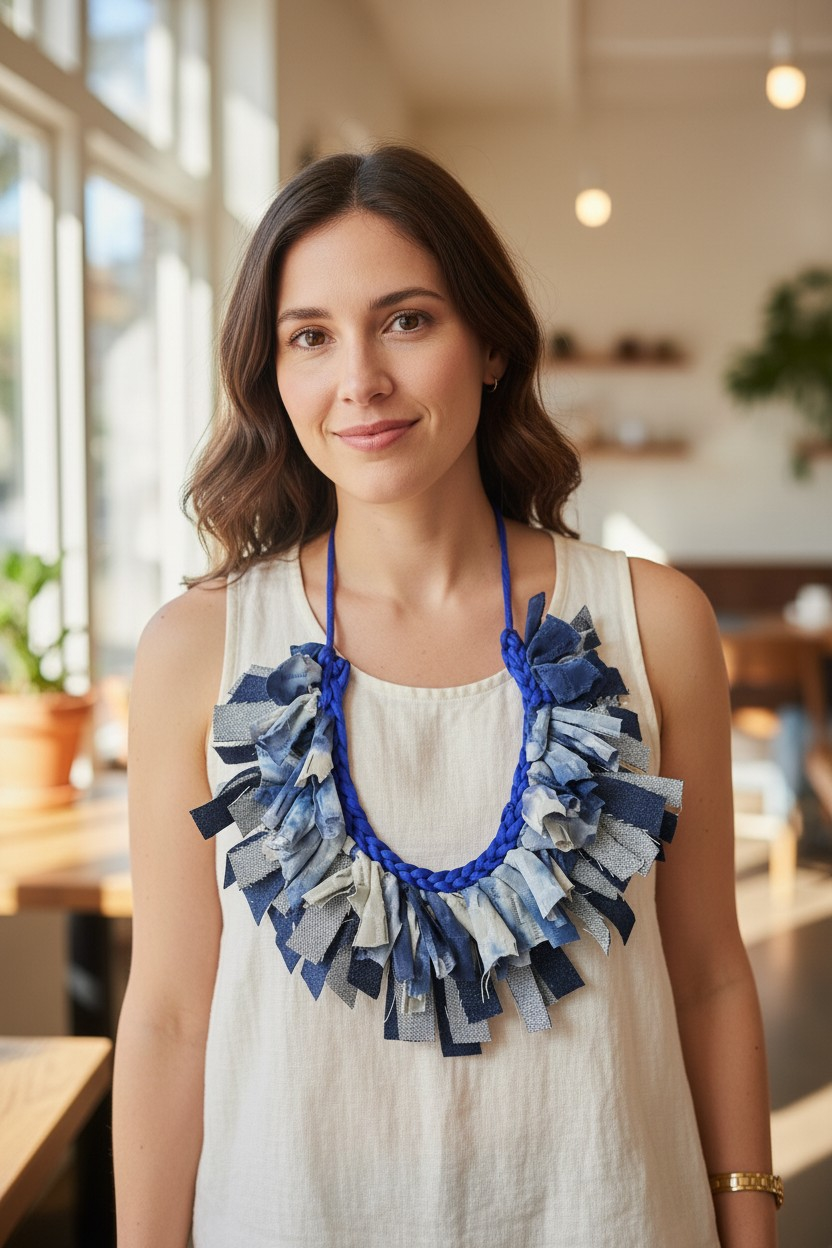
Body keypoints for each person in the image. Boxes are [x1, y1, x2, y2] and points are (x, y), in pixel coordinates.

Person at [113, 145, 780, 1248]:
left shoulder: (657, 624)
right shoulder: (196, 649)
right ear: (270, 371)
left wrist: (749, 1228)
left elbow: (708, 972)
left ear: (492, 343)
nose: (359, 380)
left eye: (407, 320)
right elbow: (174, 1018)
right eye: (309, 336)